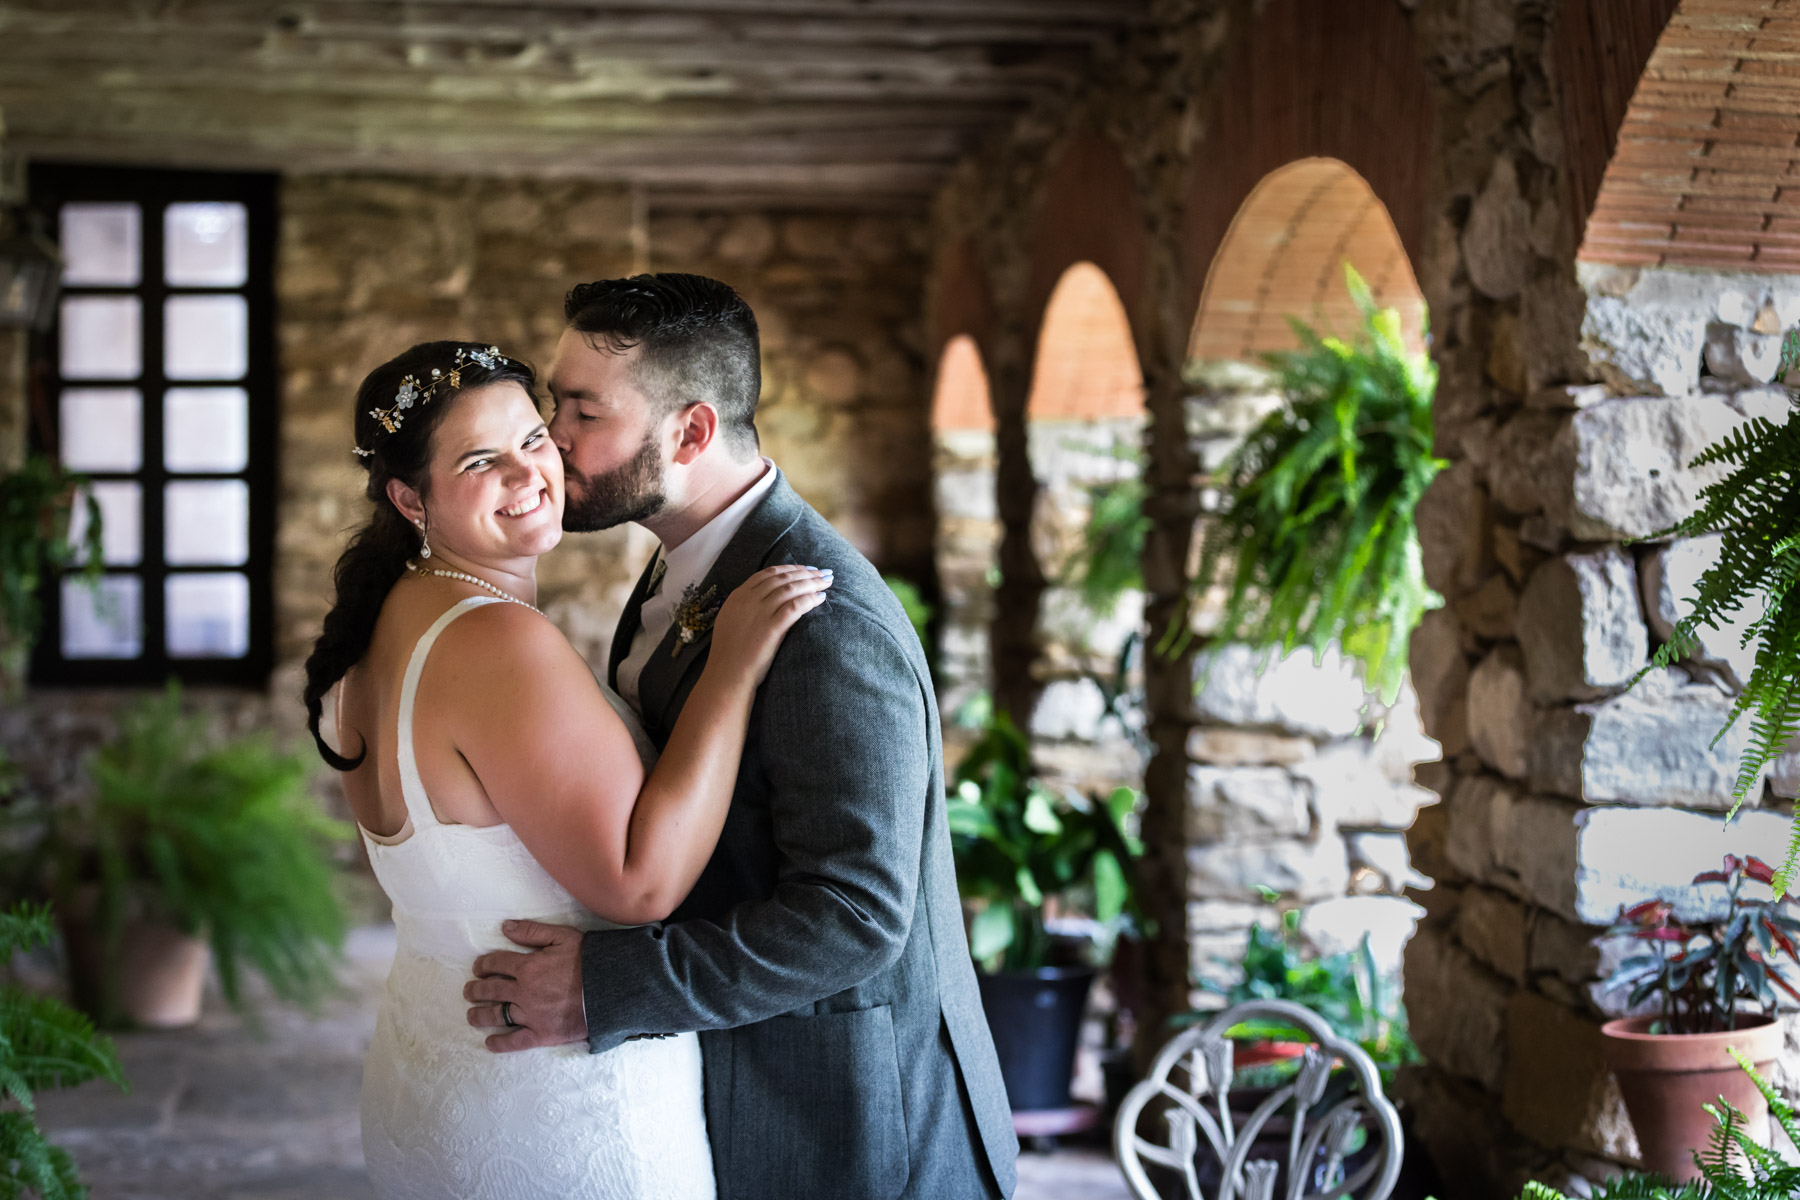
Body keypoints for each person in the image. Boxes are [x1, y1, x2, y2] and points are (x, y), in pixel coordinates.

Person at [461, 274, 1019, 1200]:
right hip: (727, 1090)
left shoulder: (827, 624)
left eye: (581, 409)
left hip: (849, 1130)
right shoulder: (678, 566)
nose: (552, 436)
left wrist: (608, 988)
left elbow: (855, 916)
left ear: (690, 432)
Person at [302, 339, 832, 1200]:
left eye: (532, 438)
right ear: (410, 497)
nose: (528, 473)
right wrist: (733, 667)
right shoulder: (495, 637)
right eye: (480, 460)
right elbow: (640, 883)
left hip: (430, 1074)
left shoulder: (387, 620)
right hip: (559, 1109)